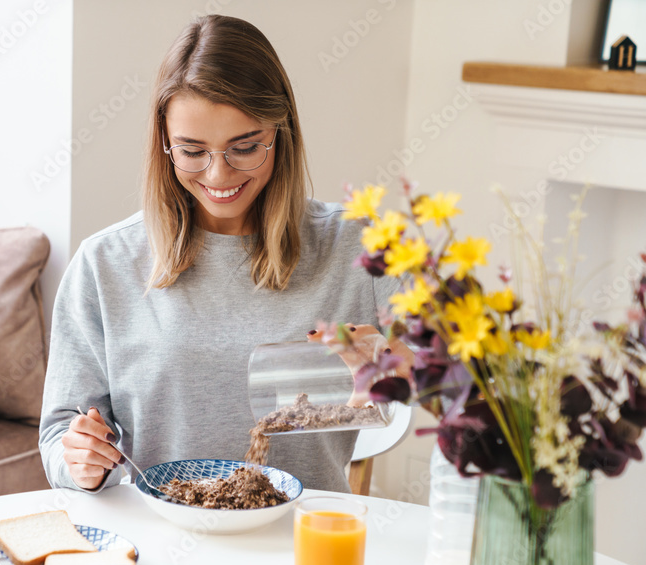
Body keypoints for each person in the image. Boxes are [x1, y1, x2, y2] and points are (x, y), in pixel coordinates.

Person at [38, 14, 400, 493]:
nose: (218, 175)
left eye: (244, 147)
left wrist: (398, 366)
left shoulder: (358, 248)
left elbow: (461, 383)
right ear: (165, 144)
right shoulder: (104, 263)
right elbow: (59, 433)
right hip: (160, 540)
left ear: (281, 132)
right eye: (192, 151)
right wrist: (80, 459)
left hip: (303, 545)